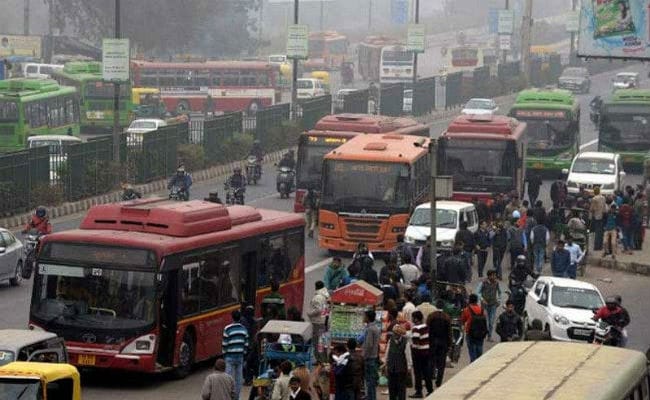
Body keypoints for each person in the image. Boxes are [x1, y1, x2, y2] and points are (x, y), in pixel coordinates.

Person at [222, 310, 248, 399]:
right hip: (240, 357)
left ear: (232, 317)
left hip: (229, 356)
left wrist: (224, 354)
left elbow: (225, 344)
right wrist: (243, 354)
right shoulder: (244, 329)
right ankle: (236, 397)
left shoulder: (227, 329)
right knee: (238, 378)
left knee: (228, 378)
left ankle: (228, 396)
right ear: (240, 318)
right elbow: (246, 344)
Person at [384, 324, 412, 400]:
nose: (395, 335)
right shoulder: (391, 340)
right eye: (394, 333)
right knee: (392, 388)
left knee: (401, 388)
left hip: (401, 368)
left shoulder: (405, 342)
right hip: (391, 367)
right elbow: (387, 352)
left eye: (396, 333)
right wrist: (385, 363)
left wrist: (409, 367)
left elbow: (408, 356)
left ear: (400, 334)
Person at [427, 299, 451, 387]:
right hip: (443, 343)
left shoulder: (431, 316)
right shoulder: (446, 317)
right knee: (441, 363)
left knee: (431, 361)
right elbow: (449, 332)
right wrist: (449, 344)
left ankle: (429, 379)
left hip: (432, 342)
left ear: (436, 306)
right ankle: (439, 381)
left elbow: (427, 329)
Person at [410, 311, 432, 398]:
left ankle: (418, 391)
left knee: (418, 373)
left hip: (418, 353)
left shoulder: (416, 328)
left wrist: (412, 347)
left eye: (413, 318)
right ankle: (430, 389)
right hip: (426, 351)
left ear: (415, 319)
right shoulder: (426, 326)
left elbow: (416, 343)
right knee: (426, 372)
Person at [476, 270, 502, 342]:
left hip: (493, 304)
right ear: (489, 276)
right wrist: (482, 299)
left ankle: (489, 336)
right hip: (484, 305)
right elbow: (478, 292)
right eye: (493, 275)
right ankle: (482, 333)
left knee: (491, 321)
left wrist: (499, 300)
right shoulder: (483, 283)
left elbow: (500, 292)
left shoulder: (497, 283)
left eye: (495, 275)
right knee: (484, 320)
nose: (494, 277)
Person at [360, 310, 380, 400]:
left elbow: (369, 345)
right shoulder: (375, 327)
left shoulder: (370, 329)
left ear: (368, 318)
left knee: (370, 381)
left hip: (369, 358)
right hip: (373, 357)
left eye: (365, 316)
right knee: (370, 380)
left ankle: (371, 397)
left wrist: (364, 356)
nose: (363, 318)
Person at [461, 294, 487, 362]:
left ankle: (473, 363)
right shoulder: (481, 309)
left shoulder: (466, 310)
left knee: (472, 350)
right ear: (476, 301)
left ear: (469, 300)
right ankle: (479, 362)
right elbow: (484, 318)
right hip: (480, 332)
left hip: (470, 332)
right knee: (479, 347)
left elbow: (463, 320)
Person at [308, 281, 330, 362]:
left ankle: (320, 360)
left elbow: (318, 309)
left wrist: (310, 313)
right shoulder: (326, 295)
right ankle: (324, 359)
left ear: (316, 287)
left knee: (317, 342)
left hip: (318, 323)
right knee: (323, 342)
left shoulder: (318, 297)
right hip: (325, 321)